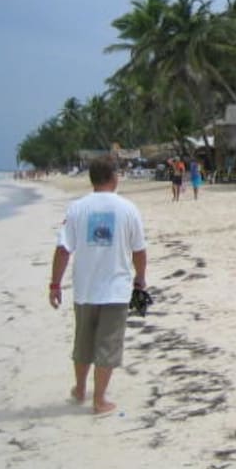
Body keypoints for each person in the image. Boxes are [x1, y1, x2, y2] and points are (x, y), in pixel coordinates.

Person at [49, 157, 147, 415]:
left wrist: (55, 284)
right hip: (115, 290)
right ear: (114, 177)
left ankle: (80, 389)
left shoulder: (77, 209)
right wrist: (141, 278)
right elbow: (139, 250)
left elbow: (62, 250)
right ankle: (99, 399)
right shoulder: (128, 209)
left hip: (84, 289)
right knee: (108, 344)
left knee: (83, 342)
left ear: (91, 178)